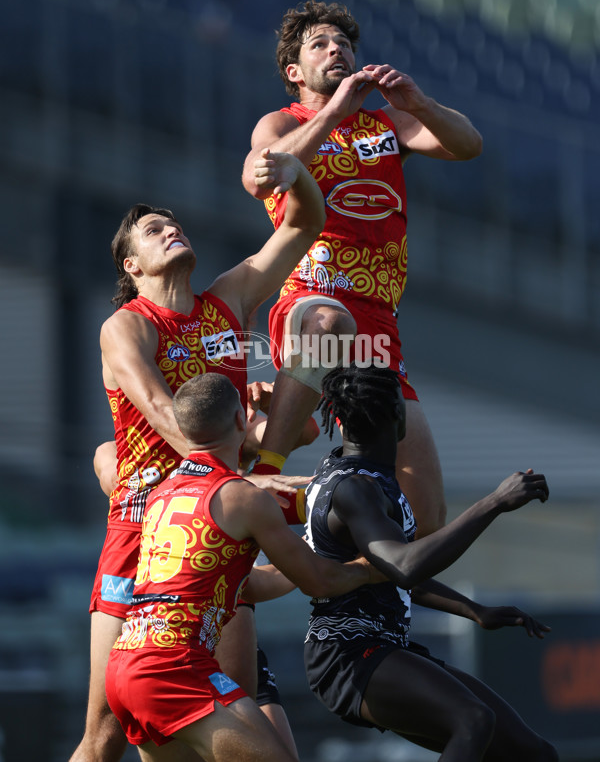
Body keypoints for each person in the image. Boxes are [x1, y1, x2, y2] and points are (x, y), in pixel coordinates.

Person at [70, 150, 325, 762]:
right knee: (103, 734)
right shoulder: (127, 325)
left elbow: (303, 226)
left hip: (209, 527)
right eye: (155, 230)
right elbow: (165, 415)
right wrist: (254, 474)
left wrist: (296, 174)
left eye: (174, 223)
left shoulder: (227, 300)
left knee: (217, 716)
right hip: (142, 522)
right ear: (131, 265)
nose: (172, 230)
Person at [241, 0, 483, 536]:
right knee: (327, 326)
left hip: (379, 323)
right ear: (294, 72)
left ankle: (328, 546)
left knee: (425, 517)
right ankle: (266, 474)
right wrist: (334, 112)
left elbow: (469, 145)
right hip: (313, 297)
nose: (337, 51)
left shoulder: (386, 122)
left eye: (344, 44)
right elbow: (261, 178)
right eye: (320, 45)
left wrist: (418, 103)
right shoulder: (281, 122)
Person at [105, 371, 384, 762]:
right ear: (240, 421)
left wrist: (310, 548)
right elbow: (320, 582)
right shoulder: (243, 498)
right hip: (176, 668)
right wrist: (374, 568)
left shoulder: (163, 494)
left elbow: (250, 583)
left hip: (126, 666)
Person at [302, 362, 558, 762]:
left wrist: (473, 610)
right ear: (395, 417)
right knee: (473, 720)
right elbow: (406, 566)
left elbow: (392, 575)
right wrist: (494, 503)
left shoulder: (361, 477)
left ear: (338, 418)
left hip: (384, 648)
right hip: (348, 654)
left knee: (532, 753)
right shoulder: (355, 489)